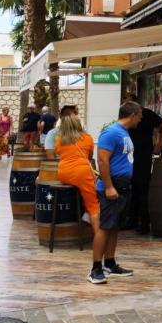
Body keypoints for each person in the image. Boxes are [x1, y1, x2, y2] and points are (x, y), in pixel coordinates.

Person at [90, 101, 142, 284]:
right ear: (133, 114)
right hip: (111, 188)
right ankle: (95, 268)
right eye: (140, 116)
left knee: (114, 227)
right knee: (105, 227)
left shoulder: (124, 133)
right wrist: (109, 186)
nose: (140, 120)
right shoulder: (111, 132)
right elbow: (103, 161)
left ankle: (110, 263)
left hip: (123, 187)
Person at [55, 114, 101, 267]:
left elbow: (58, 154)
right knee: (93, 205)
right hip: (81, 173)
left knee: (83, 197)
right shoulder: (87, 138)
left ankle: (83, 215)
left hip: (63, 174)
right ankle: (98, 237)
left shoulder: (59, 140)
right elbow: (89, 156)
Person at [125, 94, 162, 234]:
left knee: (142, 189)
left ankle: (144, 222)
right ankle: (132, 220)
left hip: (143, 156)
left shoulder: (147, 113)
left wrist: (159, 144)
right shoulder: (128, 115)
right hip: (131, 156)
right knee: (133, 188)